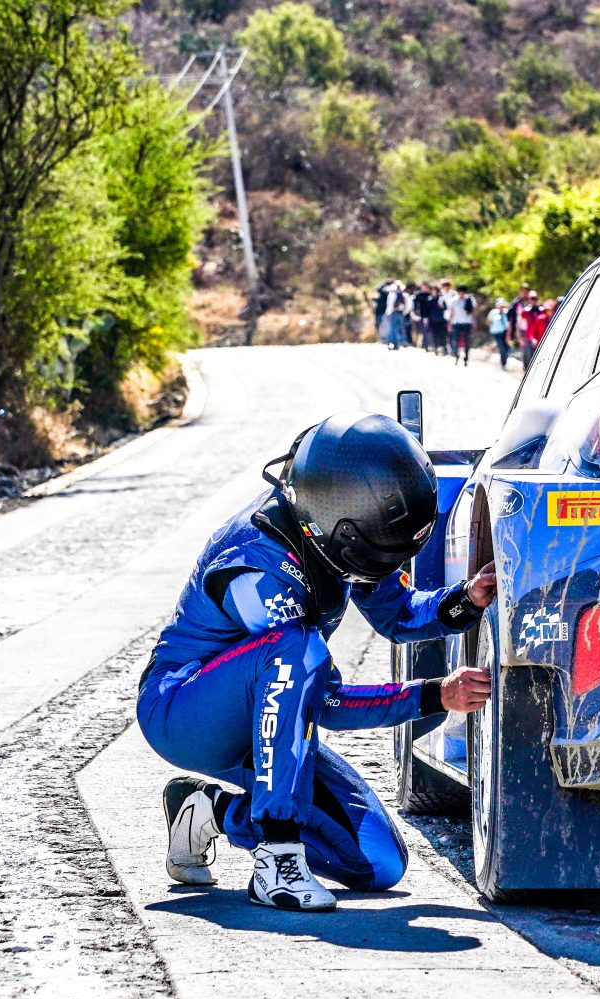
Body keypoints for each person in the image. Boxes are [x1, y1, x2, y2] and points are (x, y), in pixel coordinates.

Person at [138, 413, 496, 912]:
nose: (383, 570)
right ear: (339, 530)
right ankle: (276, 860)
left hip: (267, 717)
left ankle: (208, 811)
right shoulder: (257, 568)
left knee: (379, 863)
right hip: (185, 713)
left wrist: (466, 600)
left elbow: (398, 614)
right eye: (377, 557)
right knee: (298, 649)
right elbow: (323, 701)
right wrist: (435, 695)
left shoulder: (333, 528)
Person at [448, 285, 476, 366]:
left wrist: (474, 321)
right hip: (456, 323)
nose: (461, 294)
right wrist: (449, 323)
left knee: (467, 341)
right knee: (455, 340)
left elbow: (473, 311)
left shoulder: (470, 300)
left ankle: (466, 357)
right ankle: (456, 355)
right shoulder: (453, 300)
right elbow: (451, 313)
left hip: (467, 323)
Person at [518, 290, 541, 368]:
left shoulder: (541, 310)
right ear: (528, 299)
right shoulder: (525, 311)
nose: (533, 300)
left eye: (535, 298)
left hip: (539, 337)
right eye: (532, 298)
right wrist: (520, 337)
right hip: (528, 336)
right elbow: (519, 324)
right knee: (528, 356)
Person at [487, 298, 511, 369]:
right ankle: (503, 363)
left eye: (502, 306)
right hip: (497, 333)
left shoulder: (507, 312)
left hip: (505, 332)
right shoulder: (493, 312)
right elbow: (488, 321)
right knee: (502, 348)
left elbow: (509, 324)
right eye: (500, 306)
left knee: (507, 348)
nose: (501, 307)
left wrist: (508, 334)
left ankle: (504, 361)